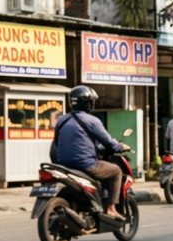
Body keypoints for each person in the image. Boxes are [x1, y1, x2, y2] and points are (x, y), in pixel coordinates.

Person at [50, 85, 129, 219]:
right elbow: (109, 143)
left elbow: (55, 145)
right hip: (85, 165)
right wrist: (120, 147)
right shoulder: (93, 121)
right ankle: (111, 208)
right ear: (87, 103)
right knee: (116, 171)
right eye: (92, 101)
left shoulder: (62, 120)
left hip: (63, 166)